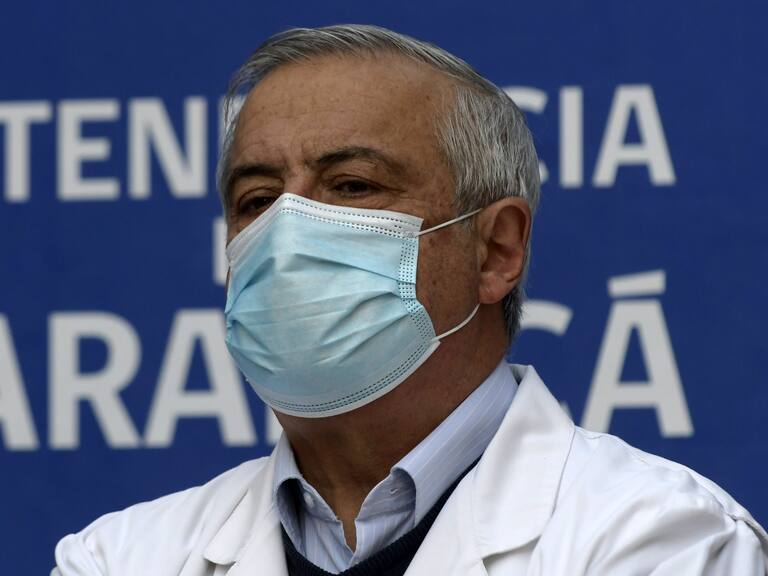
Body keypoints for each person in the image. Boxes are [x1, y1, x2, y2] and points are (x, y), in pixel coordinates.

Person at [53, 24, 768, 576]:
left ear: (496, 251)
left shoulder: (660, 539)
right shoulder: (121, 556)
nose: (288, 234)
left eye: (353, 186)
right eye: (257, 200)